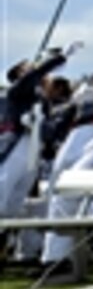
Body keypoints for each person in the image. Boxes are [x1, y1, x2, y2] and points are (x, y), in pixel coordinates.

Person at [37, 78, 93, 280]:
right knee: (55, 193)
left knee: (70, 191)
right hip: (75, 134)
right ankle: (52, 257)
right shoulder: (64, 106)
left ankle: (65, 257)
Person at [1, 48, 71, 221]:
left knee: (17, 198)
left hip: (33, 151)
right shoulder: (16, 93)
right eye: (27, 67)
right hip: (17, 144)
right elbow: (36, 74)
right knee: (4, 187)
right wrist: (60, 58)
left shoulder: (44, 104)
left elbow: (49, 133)